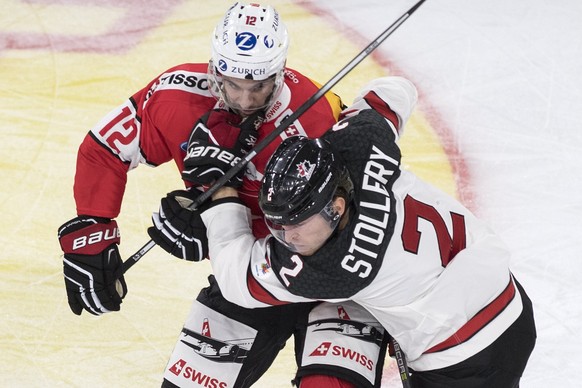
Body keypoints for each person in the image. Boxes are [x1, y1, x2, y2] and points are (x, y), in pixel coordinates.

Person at [57, 2, 391, 387]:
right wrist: (92, 232)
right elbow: (105, 149)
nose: (245, 100)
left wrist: (217, 225)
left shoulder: (316, 117)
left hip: (335, 274)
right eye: (233, 84)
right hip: (251, 275)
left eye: (259, 86)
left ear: (279, 73)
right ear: (215, 69)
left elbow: (356, 214)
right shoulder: (174, 96)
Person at [196, 76, 537, 388]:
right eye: (277, 225)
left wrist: (219, 194)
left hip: (463, 359)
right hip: (508, 299)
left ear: (336, 208)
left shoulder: (335, 267)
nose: (288, 238)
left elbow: (236, 280)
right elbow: (394, 90)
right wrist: (349, 121)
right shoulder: (363, 140)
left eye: (297, 224)